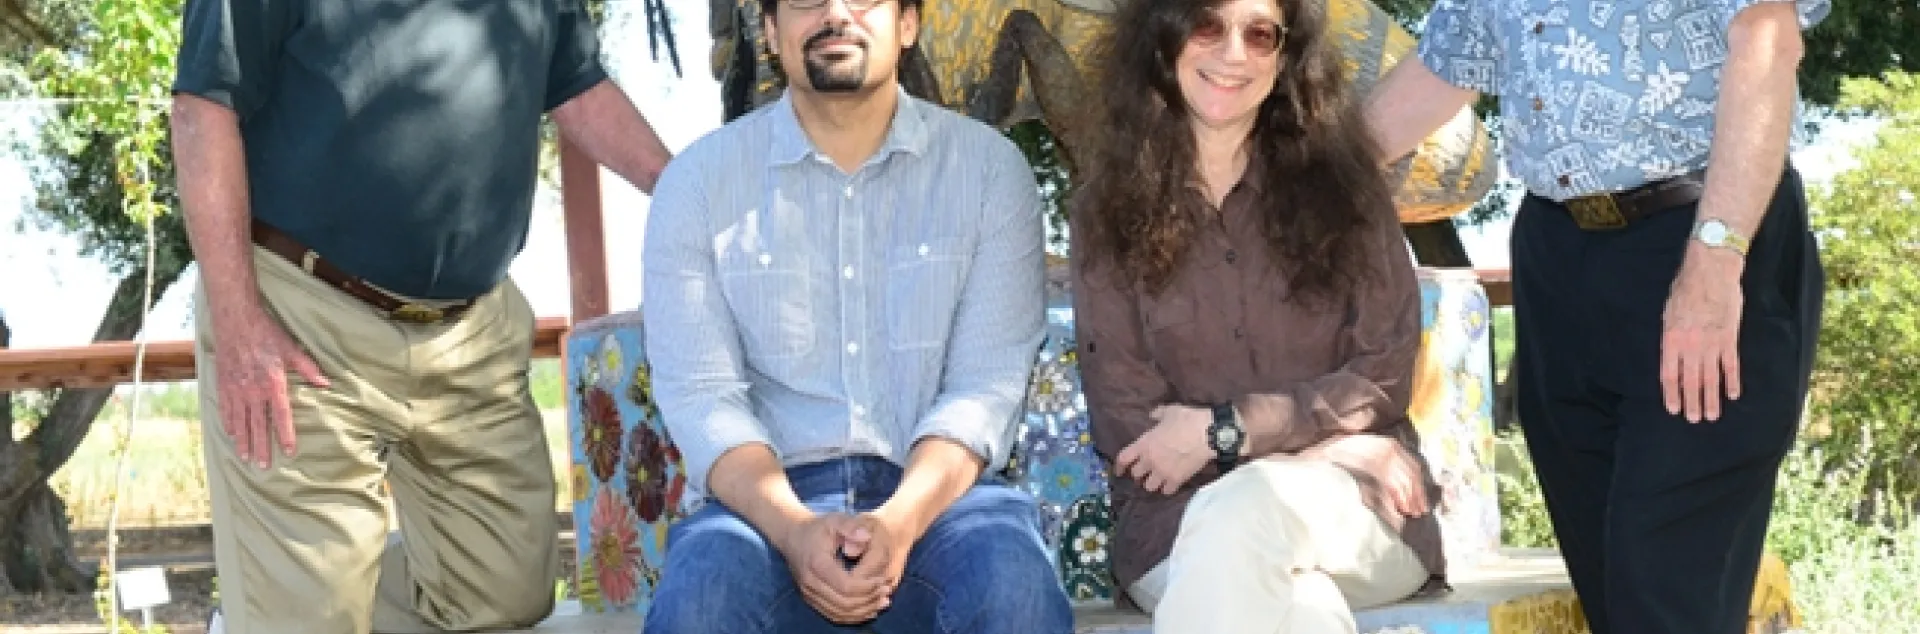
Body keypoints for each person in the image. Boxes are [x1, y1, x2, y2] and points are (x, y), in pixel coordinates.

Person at [168, 0, 674, 631]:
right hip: (301, 318)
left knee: (507, 598)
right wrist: (239, 321)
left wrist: (686, 189)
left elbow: (579, 88)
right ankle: (279, 604)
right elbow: (201, 110)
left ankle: (291, 599)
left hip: (473, 333)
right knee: (309, 620)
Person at [1363, 0, 1830, 631]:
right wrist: (1281, 185)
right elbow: (1442, 69)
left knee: (1662, 583)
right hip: (1555, 253)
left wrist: (1715, 260)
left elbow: (1767, 40)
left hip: (1700, 241)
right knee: (1610, 582)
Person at [635, 0, 1075, 629]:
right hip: (763, 512)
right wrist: (795, 530)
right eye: (807, 0)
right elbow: (705, 400)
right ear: (770, 30)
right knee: (701, 596)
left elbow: (985, 389)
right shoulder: (698, 184)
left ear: (908, 23)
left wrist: (897, 524)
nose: (836, 14)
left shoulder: (988, 172)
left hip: (941, 505)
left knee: (1013, 583)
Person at [1069, 0, 1447, 629]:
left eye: (1260, 34)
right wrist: (1326, 448)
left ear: (1286, 56)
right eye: (1207, 25)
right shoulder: (1104, 215)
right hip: (1175, 528)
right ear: (1162, 39)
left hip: (1356, 513)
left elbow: (1380, 375)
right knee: (1301, 608)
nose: (1233, 53)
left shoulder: (1350, 195)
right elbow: (1131, 429)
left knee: (1251, 506)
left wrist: (1227, 432)